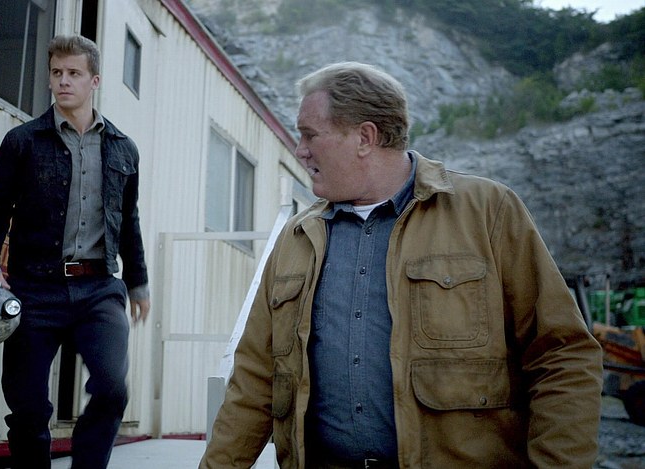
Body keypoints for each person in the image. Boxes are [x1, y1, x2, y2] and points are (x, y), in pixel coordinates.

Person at [200, 62, 603, 469]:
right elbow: (254, 380)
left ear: (365, 137)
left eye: (310, 134)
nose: (300, 149)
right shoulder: (296, 237)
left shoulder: (488, 211)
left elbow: (562, 356)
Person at [0, 34, 149, 469]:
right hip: (34, 288)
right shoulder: (23, 141)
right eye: (56, 73)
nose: (63, 81)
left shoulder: (123, 148)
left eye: (74, 73)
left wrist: (138, 282)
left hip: (99, 289)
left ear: (94, 81)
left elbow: (128, 220)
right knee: (27, 404)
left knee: (112, 388)